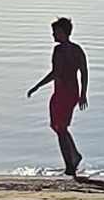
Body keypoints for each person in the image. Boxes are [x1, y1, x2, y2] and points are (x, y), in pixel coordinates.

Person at [29, 16, 89, 176]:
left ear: (63, 32)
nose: (53, 35)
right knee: (60, 127)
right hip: (72, 93)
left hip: (63, 93)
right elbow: (84, 72)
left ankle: (70, 164)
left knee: (60, 128)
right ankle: (74, 156)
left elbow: (55, 74)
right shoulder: (77, 49)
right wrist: (83, 94)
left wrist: (37, 86)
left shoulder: (59, 50)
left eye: (55, 32)